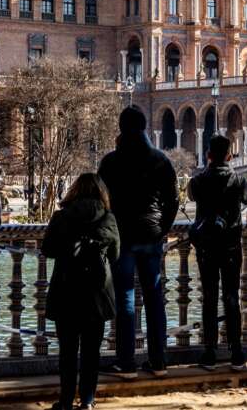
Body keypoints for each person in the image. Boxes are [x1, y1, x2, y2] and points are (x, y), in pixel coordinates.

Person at [97, 105, 178, 378]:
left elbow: (101, 202)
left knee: (126, 299)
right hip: (151, 235)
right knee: (155, 298)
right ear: (144, 127)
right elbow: (173, 199)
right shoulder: (160, 159)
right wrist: (162, 227)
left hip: (122, 237)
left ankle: (126, 362)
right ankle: (158, 361)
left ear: (120, 127)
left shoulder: (110, 162)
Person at [43, 174, 120, 410]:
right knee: (91, 352)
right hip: (96, 293)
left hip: (66, 290)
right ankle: (87, 400)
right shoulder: (108, 218)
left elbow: (48, 249)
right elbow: (115, 255)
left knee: (67, 352)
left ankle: (66, 400)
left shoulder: (61, 217)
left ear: (74, 190)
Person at [187, 134, 247, 372]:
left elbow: (190, 195)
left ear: (208, 155)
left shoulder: (198, 181)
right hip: (231, 247)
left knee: (209, 297)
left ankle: (210, 352)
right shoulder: (238, 180)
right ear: (230, 155)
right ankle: (236, 352)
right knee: (231, 297)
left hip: (206, 248)